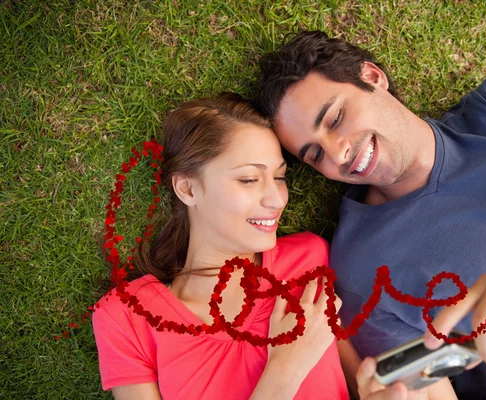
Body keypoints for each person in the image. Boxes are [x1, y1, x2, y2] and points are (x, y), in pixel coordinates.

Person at [255, 30, 486, 399]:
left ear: (372, 77)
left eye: (336, 118)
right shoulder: (360, 270)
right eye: (315, 155)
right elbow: (429, 387)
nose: (338, 155)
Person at [92, 93, 387, 400]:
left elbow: (365, 384)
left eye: (279, 177)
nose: (276, 199)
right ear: (188, 188)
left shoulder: (309, 261)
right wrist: (286, 369)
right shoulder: (126, 316)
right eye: (248, 180)